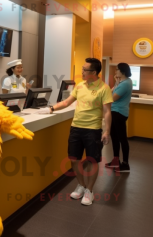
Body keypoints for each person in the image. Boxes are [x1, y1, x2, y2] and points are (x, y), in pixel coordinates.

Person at [39, 58, 113, 205]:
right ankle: (81, 185)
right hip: (76, 128)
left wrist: (107, 131)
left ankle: (89, 191)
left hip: (93, 129)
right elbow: (67, 102)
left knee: (92, 160)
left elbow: (107, 112)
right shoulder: (79, 86)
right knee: (74, 159)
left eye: (84, 69)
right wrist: (51, 109)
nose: (82, 71)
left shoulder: (104, 88)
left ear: (93, 72)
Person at [105, 63, 132, 172]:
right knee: (115, 138)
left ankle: (125, 164)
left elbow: (111, 98)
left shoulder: (125, 84)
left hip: (118, 113)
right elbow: (112, 91)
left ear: (123, 71)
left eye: (117, 70)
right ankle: (116, 161)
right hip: (116, 112)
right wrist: (116, 83)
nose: (115, 71)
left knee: (122, 139)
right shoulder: (123, 82)